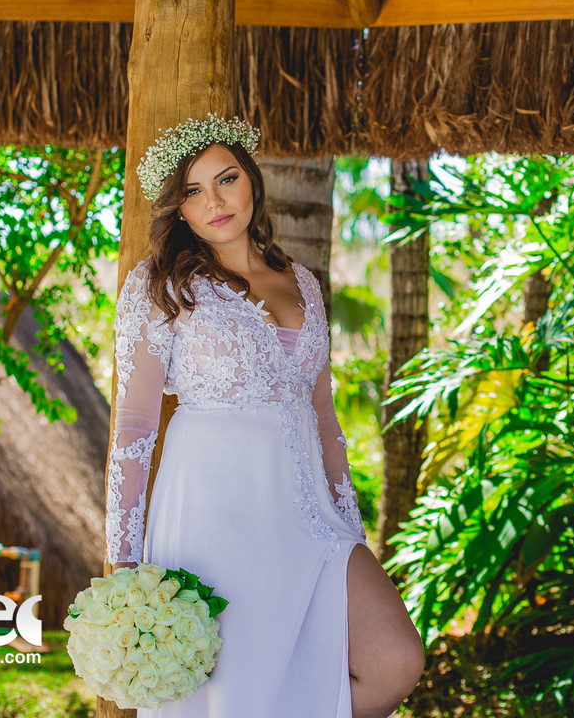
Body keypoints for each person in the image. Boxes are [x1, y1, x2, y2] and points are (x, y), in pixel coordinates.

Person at [105, 114, 424, 718]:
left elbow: (324, 416)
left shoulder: (301, 280)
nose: (216, 201)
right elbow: (135, 429)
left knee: (396, 659)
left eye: (226, 179)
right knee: (235, 695)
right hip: (212, 519)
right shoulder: (157, 284)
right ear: (178, 210)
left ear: (251, 179)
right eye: (193, 191)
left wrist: (349, 526)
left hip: (313, 517)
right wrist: (123, 565)